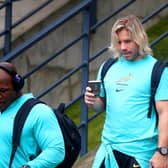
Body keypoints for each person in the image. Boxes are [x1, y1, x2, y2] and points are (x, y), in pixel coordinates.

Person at [84, 15, 168, 168]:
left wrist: (162, 152)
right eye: (119, 42)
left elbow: (165, 114)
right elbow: (100, 106)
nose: (122, 47)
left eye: (127, 41)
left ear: (140, 39)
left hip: (140, 154)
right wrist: (92, 101)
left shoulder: (158, 71)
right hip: (108, 150)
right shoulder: (107, 67)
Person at [0, 61, 65, 168]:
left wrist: (30, 167)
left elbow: (56, 151)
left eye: (3, 90)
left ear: (17, 86)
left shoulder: (39, 112)